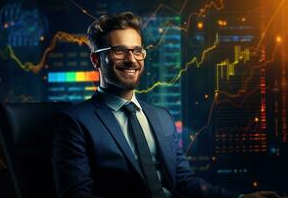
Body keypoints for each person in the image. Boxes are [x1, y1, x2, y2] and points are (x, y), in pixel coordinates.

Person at [51, 11, 283, 198]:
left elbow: (185, 182)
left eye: (137, 51)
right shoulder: (75, 122)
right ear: (96, 59)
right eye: (119, 51)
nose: (131, 59)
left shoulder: (161, 117)